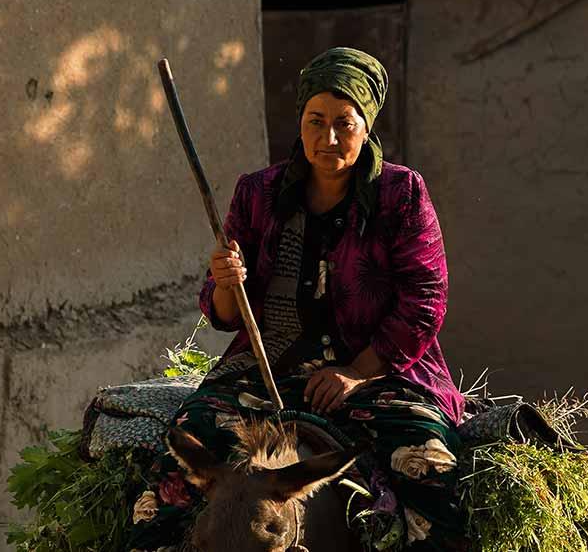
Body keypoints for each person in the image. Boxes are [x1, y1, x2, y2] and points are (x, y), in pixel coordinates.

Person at [129, 47, 468, 551]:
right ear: (301, 122)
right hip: (266, 375)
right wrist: (226, 281)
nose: (328, 137)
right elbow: (223, 316)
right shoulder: (255, 194)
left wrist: (356, 372)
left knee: (427, 465)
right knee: (174, 459)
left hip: (381, 376)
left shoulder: (402, 195)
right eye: (315, 120)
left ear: (366, 126)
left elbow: (426, 301)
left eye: (344, 123)